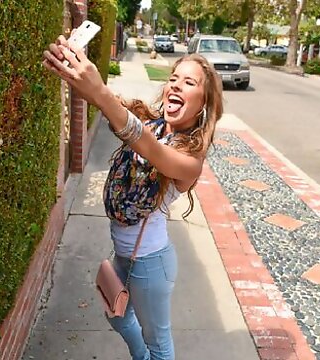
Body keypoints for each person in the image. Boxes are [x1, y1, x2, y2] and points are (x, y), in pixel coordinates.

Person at [42, 34, 223, 360]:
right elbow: (112, 107)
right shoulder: (153, 124)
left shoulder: (189, 162)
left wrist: (100, 94)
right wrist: (76, 74)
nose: (176, 86)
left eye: (189, 82)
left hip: (151, 262)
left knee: (160, 346)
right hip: (125, 255)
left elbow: (150, 150)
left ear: (203, 103)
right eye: (173, 79)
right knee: (117, 315)